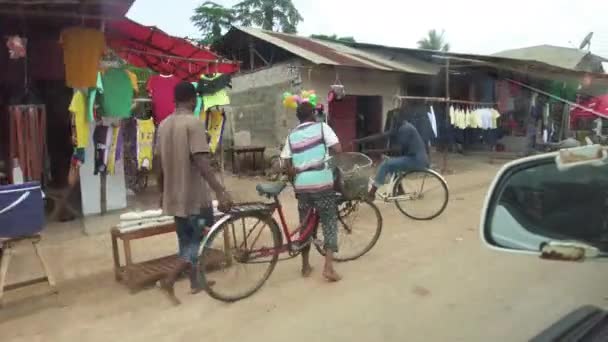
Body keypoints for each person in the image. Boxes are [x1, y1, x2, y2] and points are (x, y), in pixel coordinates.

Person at [155, 82, 232, 304]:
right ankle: (169, 280)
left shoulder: (164, 125)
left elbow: (158, 165)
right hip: (196, 198)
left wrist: (162, 192)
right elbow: (201, 161)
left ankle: (196, 282)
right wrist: (220, 190)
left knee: (185, 240)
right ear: (192, 99)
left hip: (174, 197)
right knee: (199, 240)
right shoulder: (193, 123)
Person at [280, 102, 343, 282]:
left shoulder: (291, 136)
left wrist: (298, 173)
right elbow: (338, 149)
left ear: (298, 118)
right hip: (322, 183)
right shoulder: (322, 128)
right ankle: (329, 268)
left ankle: (305, 266)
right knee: (329, 222)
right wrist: (329, 164)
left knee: (305, 225)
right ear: (313, 115)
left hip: (302, 187)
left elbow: (286, 164)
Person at [365, 112, 429, 199]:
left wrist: (374, 151)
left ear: (396, 121)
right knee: (393, 162)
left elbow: (397, 149)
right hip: (417, 158)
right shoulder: (404, 126)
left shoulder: (404, 129)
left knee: (386, 164)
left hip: (416, 160)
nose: (390, 124)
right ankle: (400, 189)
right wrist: (358, 141)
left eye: (392, 121)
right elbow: (383, 135)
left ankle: (371, 193)